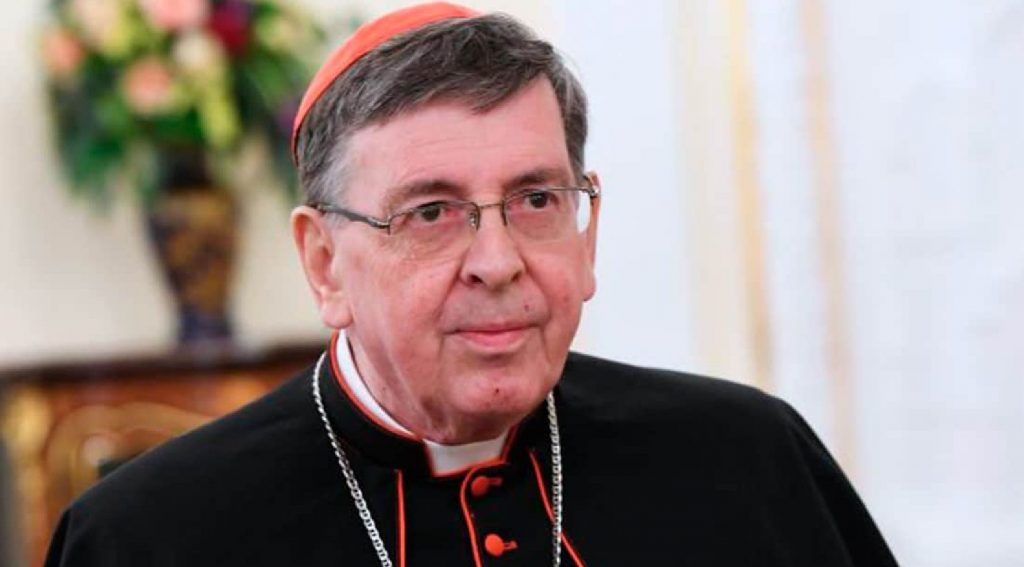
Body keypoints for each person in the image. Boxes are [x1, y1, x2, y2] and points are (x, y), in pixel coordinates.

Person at [44, 3, 898, 565]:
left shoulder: (748, 460)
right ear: (325, 263)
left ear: (587, 232)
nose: (498, 260)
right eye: (431, 212)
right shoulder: (146, 538)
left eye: (536, 199)